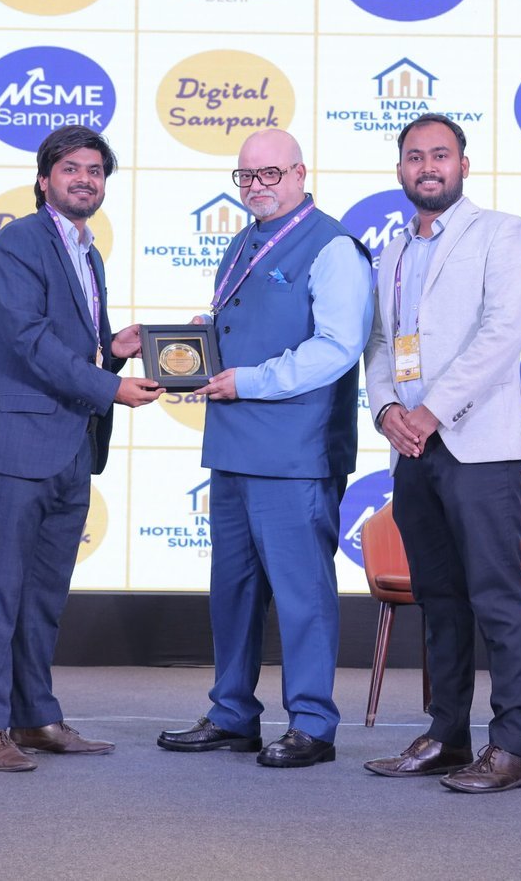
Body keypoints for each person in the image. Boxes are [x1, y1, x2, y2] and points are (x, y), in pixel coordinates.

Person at [156, 128, 373, 768]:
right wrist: (201, 338)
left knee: (303, 596)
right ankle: (232, 714)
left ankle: (312, 724)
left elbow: (337, 348)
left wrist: (248, 379)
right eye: (247, 176)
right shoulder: (242, 240)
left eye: (270, 174)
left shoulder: (333, 247)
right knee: (233, 592)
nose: (257, 186)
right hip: (233, 444)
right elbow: (244, 319)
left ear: (301, 174)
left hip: (295, 452)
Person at [0, 124, 162, 773]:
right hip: (16, 442)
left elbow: (75, 345)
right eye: (71, 168)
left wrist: (113, 348)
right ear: (44, 179)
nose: (85, 180)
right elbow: (28, 340)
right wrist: (110, 387)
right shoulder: (19, 241)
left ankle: (35, 716)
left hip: (73, 443)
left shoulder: (89, 252)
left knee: (43, 594)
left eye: (95, 171)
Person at [362, 113, 521, 794]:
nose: (427, 166)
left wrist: (432, 411)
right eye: (414, 156)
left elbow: (502, 333)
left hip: (477, 446)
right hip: (412, 449)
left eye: (440, 155)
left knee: (497, 596)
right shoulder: (392, 251)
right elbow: (382, 343)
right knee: (439, 598)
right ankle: (447, 735)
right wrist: (388, 411)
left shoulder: (500, 232)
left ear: (463, 165)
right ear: (400, 170)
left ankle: (512, 747)